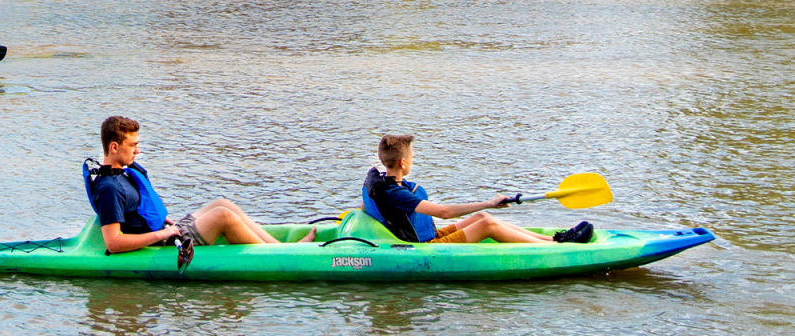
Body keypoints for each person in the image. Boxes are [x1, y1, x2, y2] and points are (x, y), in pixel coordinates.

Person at [85, 116, 316, 257]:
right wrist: (162, 233)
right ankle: (280, 256)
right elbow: (114, 243)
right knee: (222, 216)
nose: (138, 150)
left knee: (222, 203)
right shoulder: (109, 188)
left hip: (165, 230)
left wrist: (164, 223)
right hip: (163, 241)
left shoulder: (123, 173)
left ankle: (281, 247)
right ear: (114, 147)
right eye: (132, 145)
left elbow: (139, 208)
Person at [363, 134, 594, 245]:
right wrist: (489, 202)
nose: (413, 160)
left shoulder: (382, 183)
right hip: (425, 247)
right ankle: (556, 248)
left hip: (431, 235)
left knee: (482, 217)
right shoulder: (395, 193)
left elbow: (365, 206)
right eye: (412, 157)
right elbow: (443, 213)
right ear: (403, 163)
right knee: (487, 222)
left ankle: (556, 239)